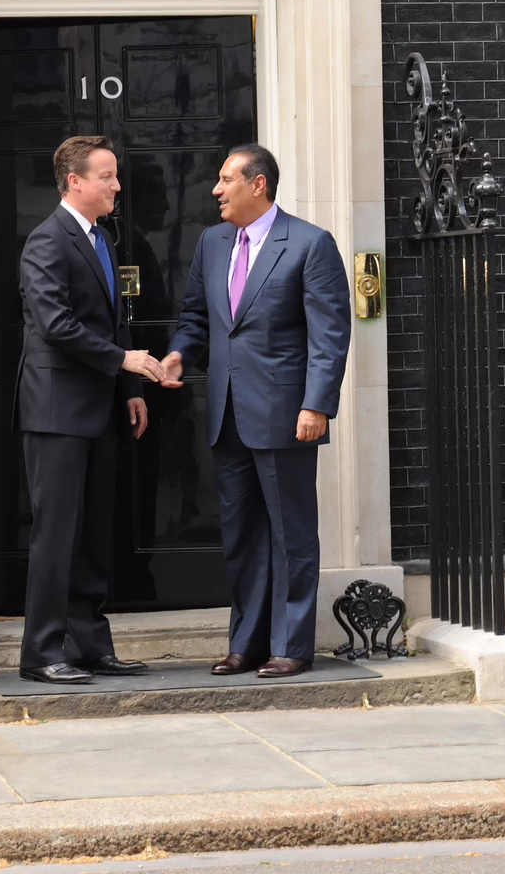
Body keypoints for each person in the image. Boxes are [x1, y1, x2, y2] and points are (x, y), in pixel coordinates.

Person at [160, 145, 351, 677]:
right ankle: (246, 643)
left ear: (258, 184)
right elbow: (197, 316)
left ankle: (290, 645)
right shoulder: (213, 242)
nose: (216, 190)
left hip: (286, 414)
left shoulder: (310, 244)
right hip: (227, 414)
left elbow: (329, 334)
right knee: (242, 536)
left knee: (291, 534)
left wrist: (317, 404)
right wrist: (180, 353)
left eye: (226, 180)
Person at [14, 136, 164, 684]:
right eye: (107, 176)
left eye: (115, 175)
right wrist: (125, 360)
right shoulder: (46, 241)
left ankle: (89, 645)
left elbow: (114, 320)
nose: (117, 185)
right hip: (56, 411)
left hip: (101, 408)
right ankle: (41, 653)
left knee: (95, 533)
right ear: (74, 181)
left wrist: (130, 388)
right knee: (57, 534)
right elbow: (56, 325)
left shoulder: (102, 238)